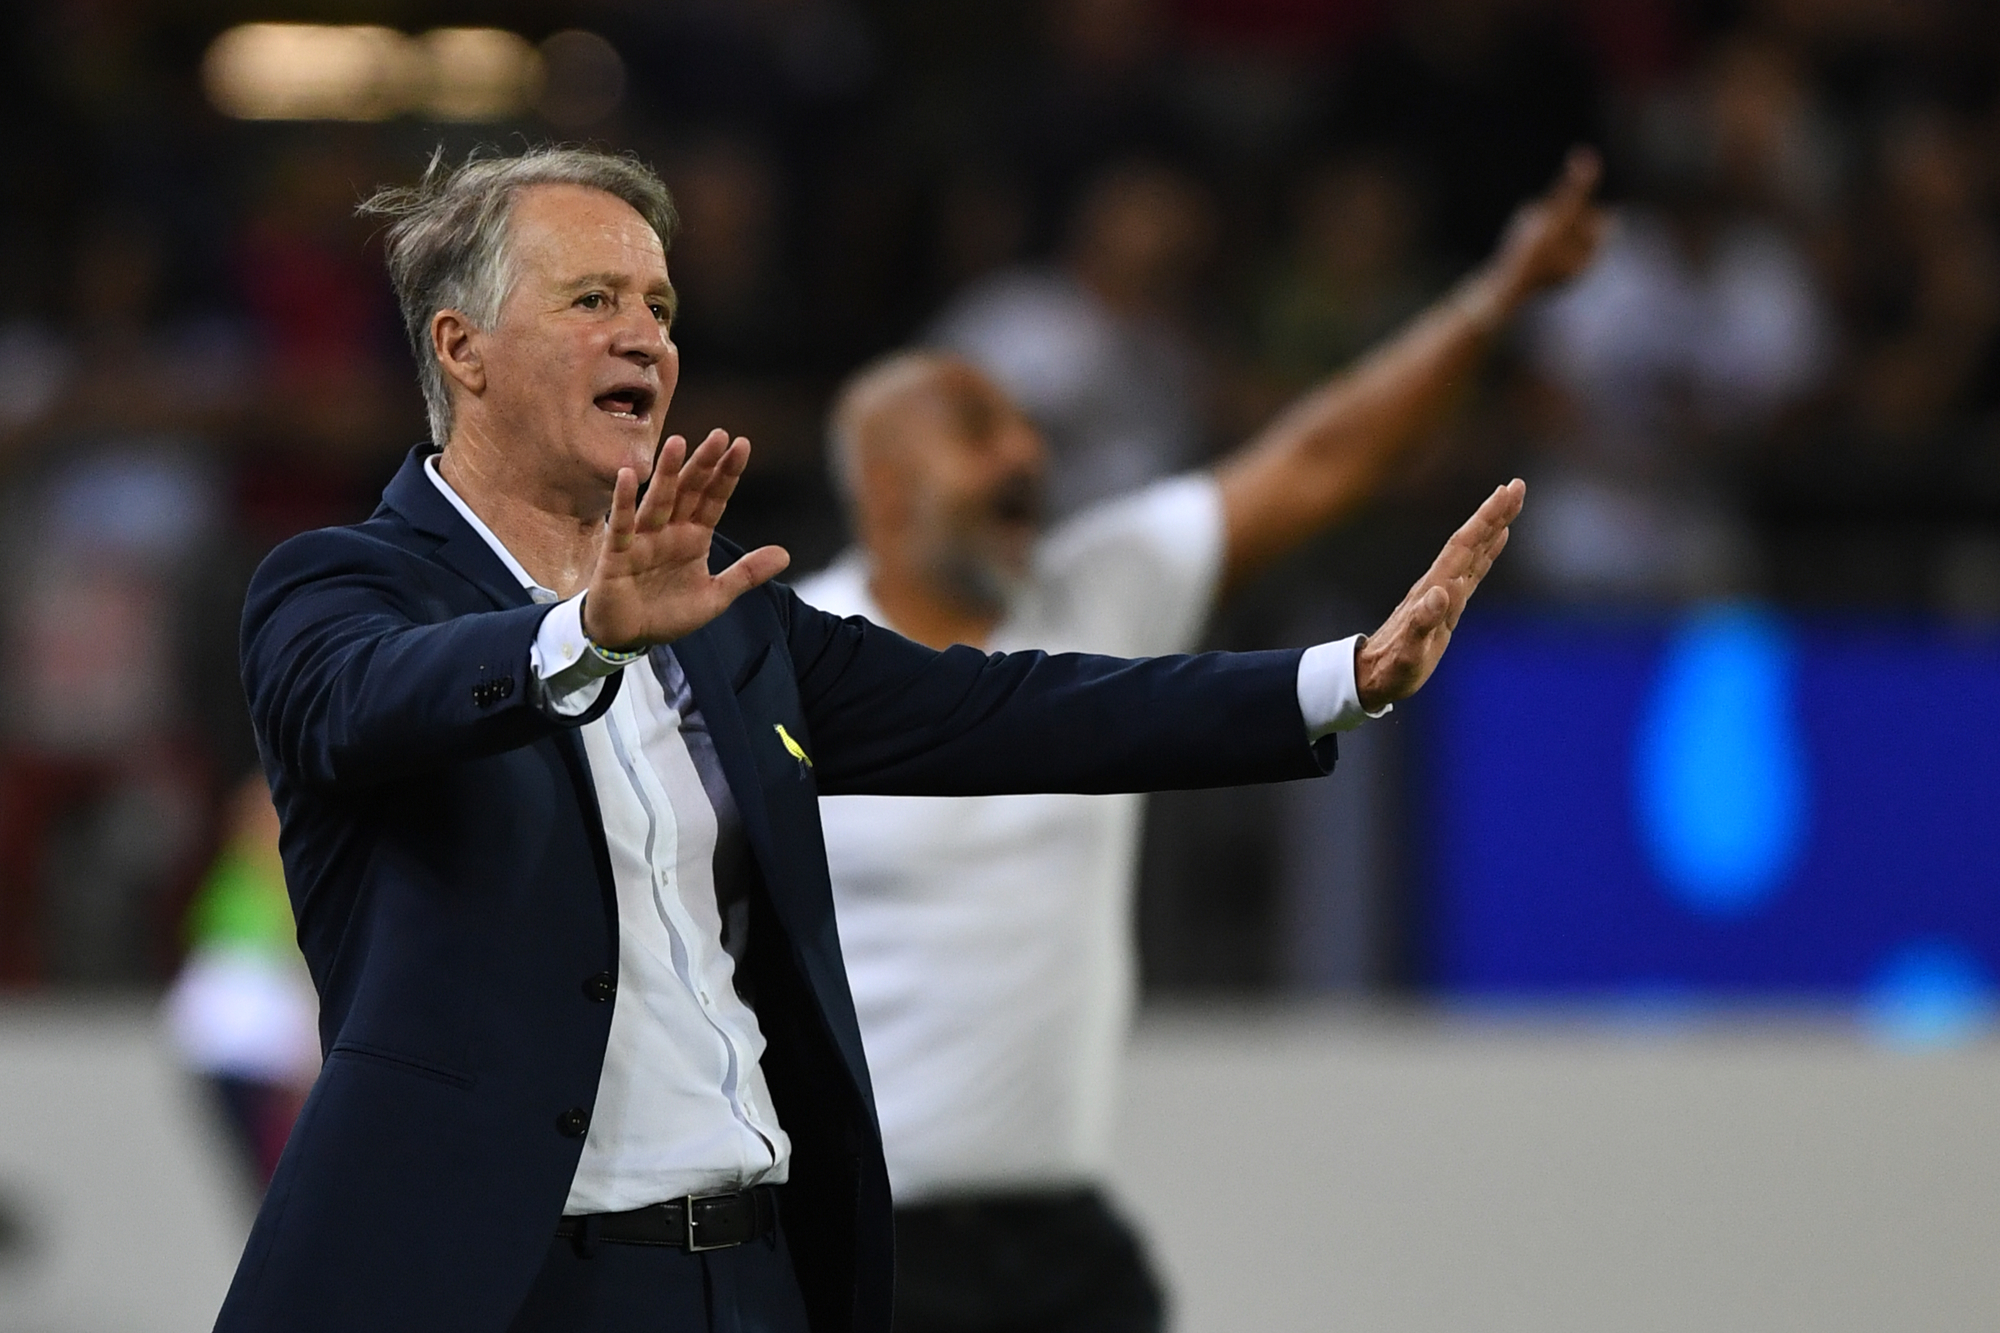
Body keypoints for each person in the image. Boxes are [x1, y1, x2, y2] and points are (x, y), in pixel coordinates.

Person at [218, 145, 1521, 1333]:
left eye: (660, 306)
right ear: (463, 348)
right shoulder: (339, 586)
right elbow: (366, 700)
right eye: (593, 300)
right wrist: (582, 637)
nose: (645, 337)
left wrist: (1339, 679)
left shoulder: (720, 614)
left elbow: (1007, 709)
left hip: (749, 1273)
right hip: (508, 1286)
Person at [800, 150, 1604, 1333]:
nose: (1024, 455)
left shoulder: (1098, 588)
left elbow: (1323, 454)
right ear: (879, 483)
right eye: (976, 430)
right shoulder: (782, 658)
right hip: (852, 1240)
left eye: (1027, 427)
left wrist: (1493, 300)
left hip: (1058, 1238)